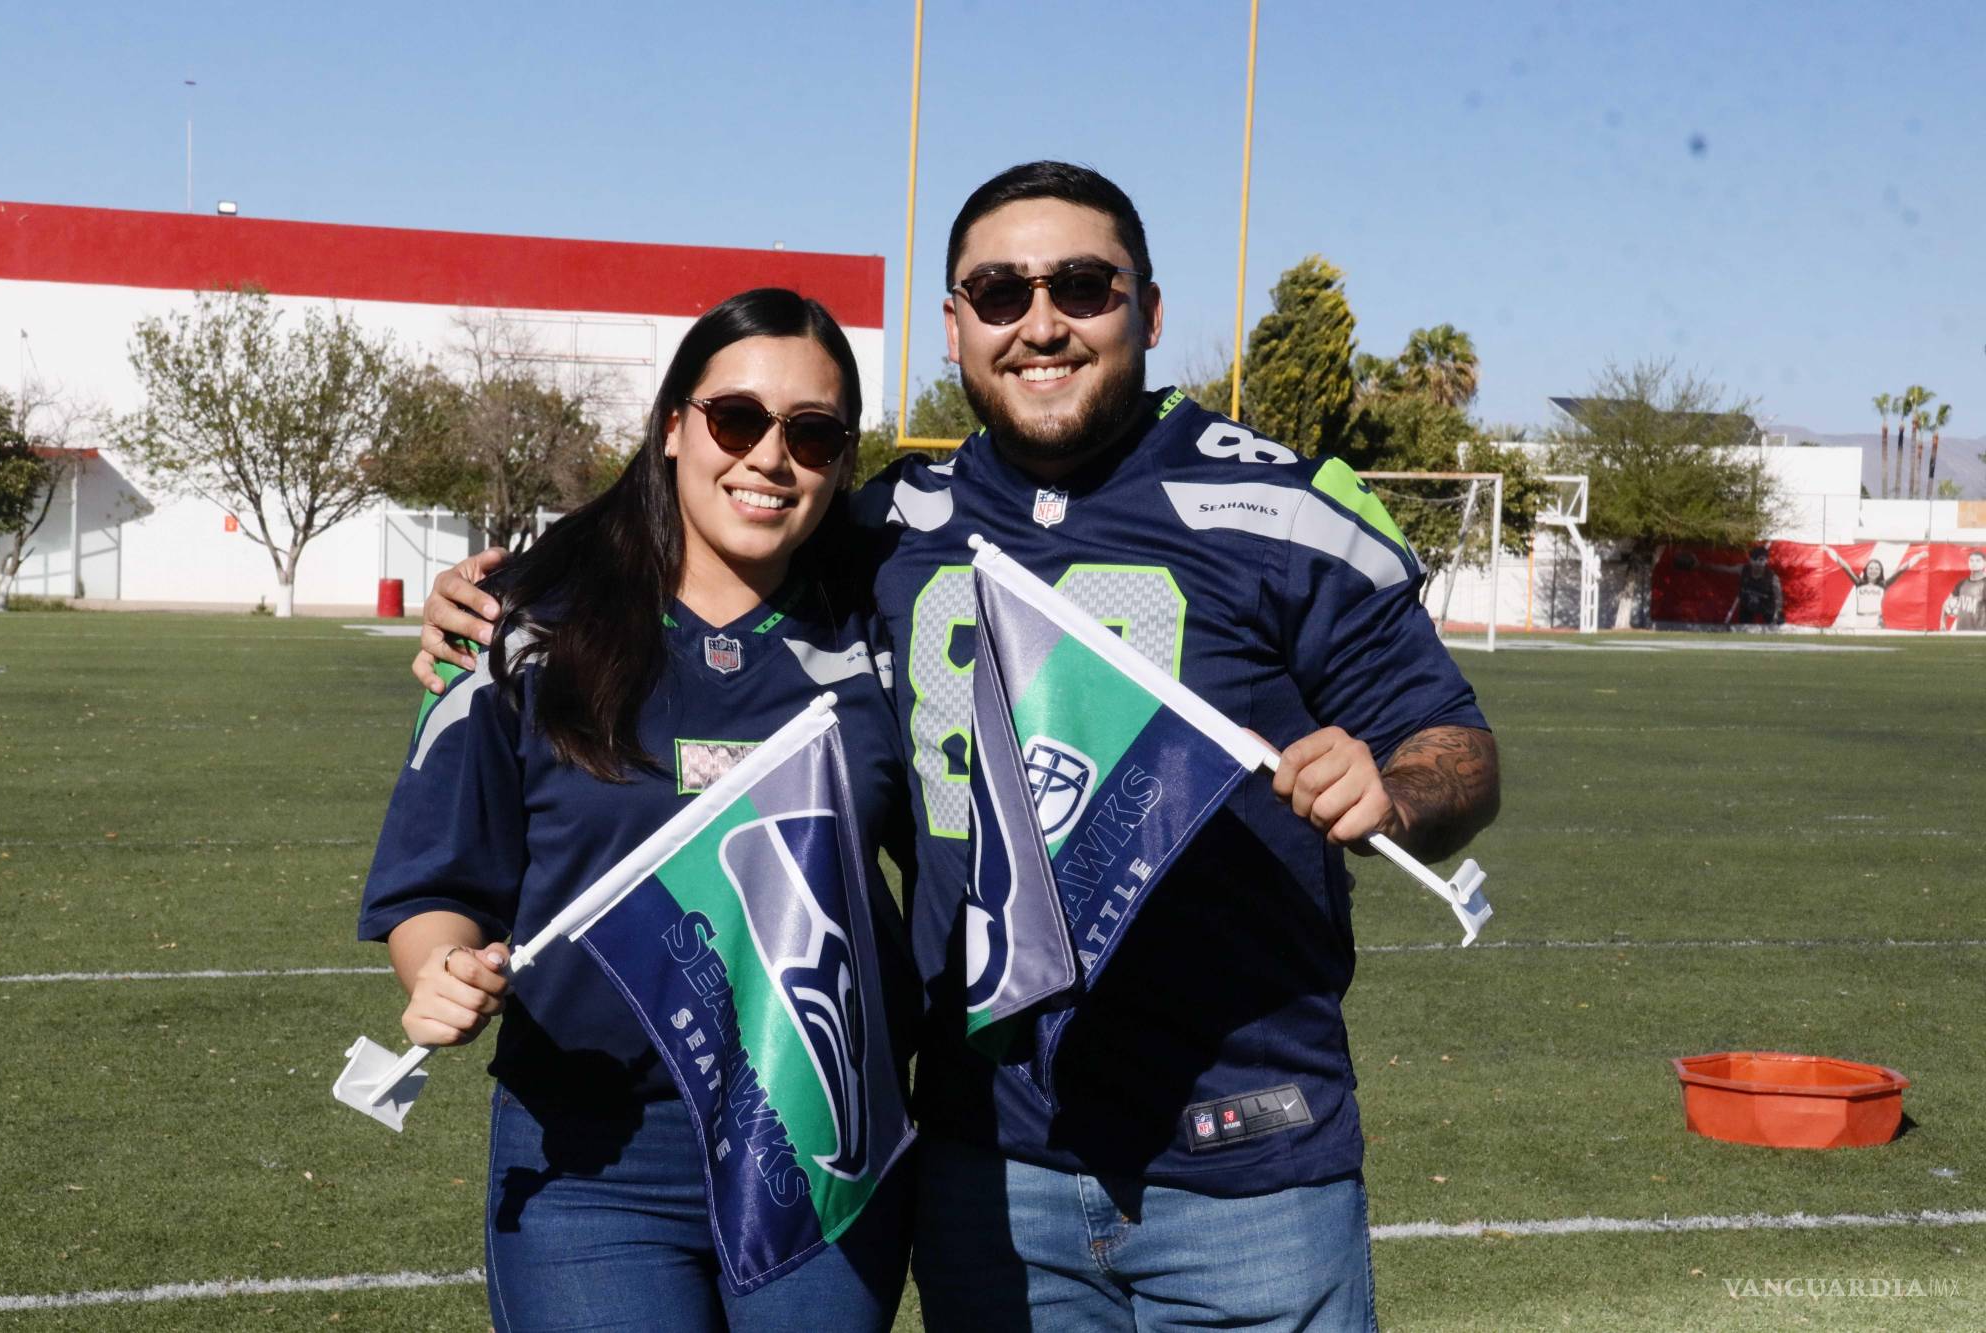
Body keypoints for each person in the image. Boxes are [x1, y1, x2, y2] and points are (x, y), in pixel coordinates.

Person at [420, 163, 1499, 1331]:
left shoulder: (1283, 509)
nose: (1041, 322)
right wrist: (505, 598)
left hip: (1242, 1154)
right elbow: (706, 541)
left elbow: (1459, 748)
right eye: (999, 293)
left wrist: (1392, 788)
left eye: (1082, 286)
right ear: (954, 325)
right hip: (987, 1164)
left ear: (1146, 306)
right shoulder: (888, 524)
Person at [363, 289, 914, 1332]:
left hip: (820, 1133)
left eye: (812, 433)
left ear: (841, 461)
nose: (768, 458)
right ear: (671, 425)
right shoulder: (519, 623)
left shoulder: (883, 628)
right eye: (736, 419)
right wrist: (436, 968)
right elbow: (435, 883)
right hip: (592, 1155)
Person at [1819, 544, 1926, 630]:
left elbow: (1901, 570)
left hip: (1876, 621)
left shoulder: (1883, 584)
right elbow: (1845, 566)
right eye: (1871, 568)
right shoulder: (1859, 582)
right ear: (1866, 570)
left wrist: (1919, 556)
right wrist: (1829, 551)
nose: (1873, 571)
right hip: (1859, 620)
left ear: (1880, 571)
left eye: (1876, 569)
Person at [1941, 549, 1986, 630]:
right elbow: (1946, 603)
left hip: (1979, 634)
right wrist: (1942, 623)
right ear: (1968, 563)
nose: (1974, 563)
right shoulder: (1961, 583)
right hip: (1960, 632)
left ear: (1984, 563)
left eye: (1978, 561)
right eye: (1971, 560)